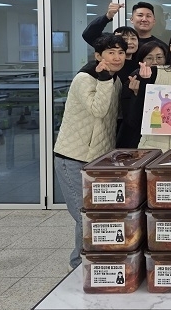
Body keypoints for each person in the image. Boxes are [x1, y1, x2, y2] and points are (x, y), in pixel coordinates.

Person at [53, 34, 127, 270]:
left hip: (98, 159)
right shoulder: (84, 78)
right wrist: (104, 79)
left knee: (97, 213)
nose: (117, 57)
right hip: (73, 157)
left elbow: (116, 117)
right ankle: (78, 264)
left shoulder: (115, 80)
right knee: (85, 214)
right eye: (111, 53)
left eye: (121, 53)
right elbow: (99, 110)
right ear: (98, 56)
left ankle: (94, 260)